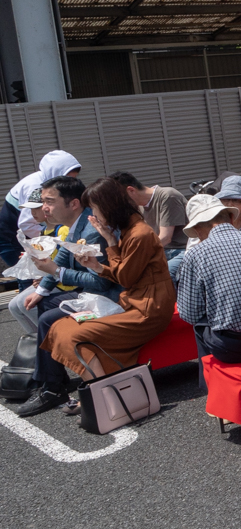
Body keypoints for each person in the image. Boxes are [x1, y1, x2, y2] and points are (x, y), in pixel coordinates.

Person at [19, 177, 176, 418]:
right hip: (135, 302)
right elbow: (119, 273)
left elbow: (124, 278)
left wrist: (108, 248)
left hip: (147, 310)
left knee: (73, 335)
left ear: (109, 205)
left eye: (96, 208)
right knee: (60, 329)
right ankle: (99, 392)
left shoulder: (139, 234)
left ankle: (101, 394)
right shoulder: (128, 230)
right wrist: (97, 262)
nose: (94, 214)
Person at [176, 196, 241, 388]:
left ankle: (214, 394)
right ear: (230, 217)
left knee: (200, 325)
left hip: (233, 349)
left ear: (197, 229)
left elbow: (189, 314)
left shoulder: (196, 254)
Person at [9, 178, 121, 337]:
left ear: (74, 204)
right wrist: (41, 289)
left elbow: (100, 282)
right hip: (90, 289)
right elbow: (62, 257)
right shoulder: (76, 223)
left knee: (46, 316)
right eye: (43, 202)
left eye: (49, 202)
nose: (44, 208)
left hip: (107, 297)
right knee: (35, 301)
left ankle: (54, 354)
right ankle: (46, 353)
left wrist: (57, 272)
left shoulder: (91, 231)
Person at [0, 151, 81, 269]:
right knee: (28, 273)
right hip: (12, 239)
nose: (71, 183)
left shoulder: (50, 183)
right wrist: (54, 237)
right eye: (67, 178)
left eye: (74, 178)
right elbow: (26, 224)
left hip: (35, 238)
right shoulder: (37, 188)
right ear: (55, 173)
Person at [112, 173, 190, 273]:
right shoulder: (139, 207)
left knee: (166, 273)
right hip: (162, 252)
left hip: (183, 249)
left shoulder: (167, 196)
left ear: (131, 190)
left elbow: (165, 238)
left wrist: (137, 256)